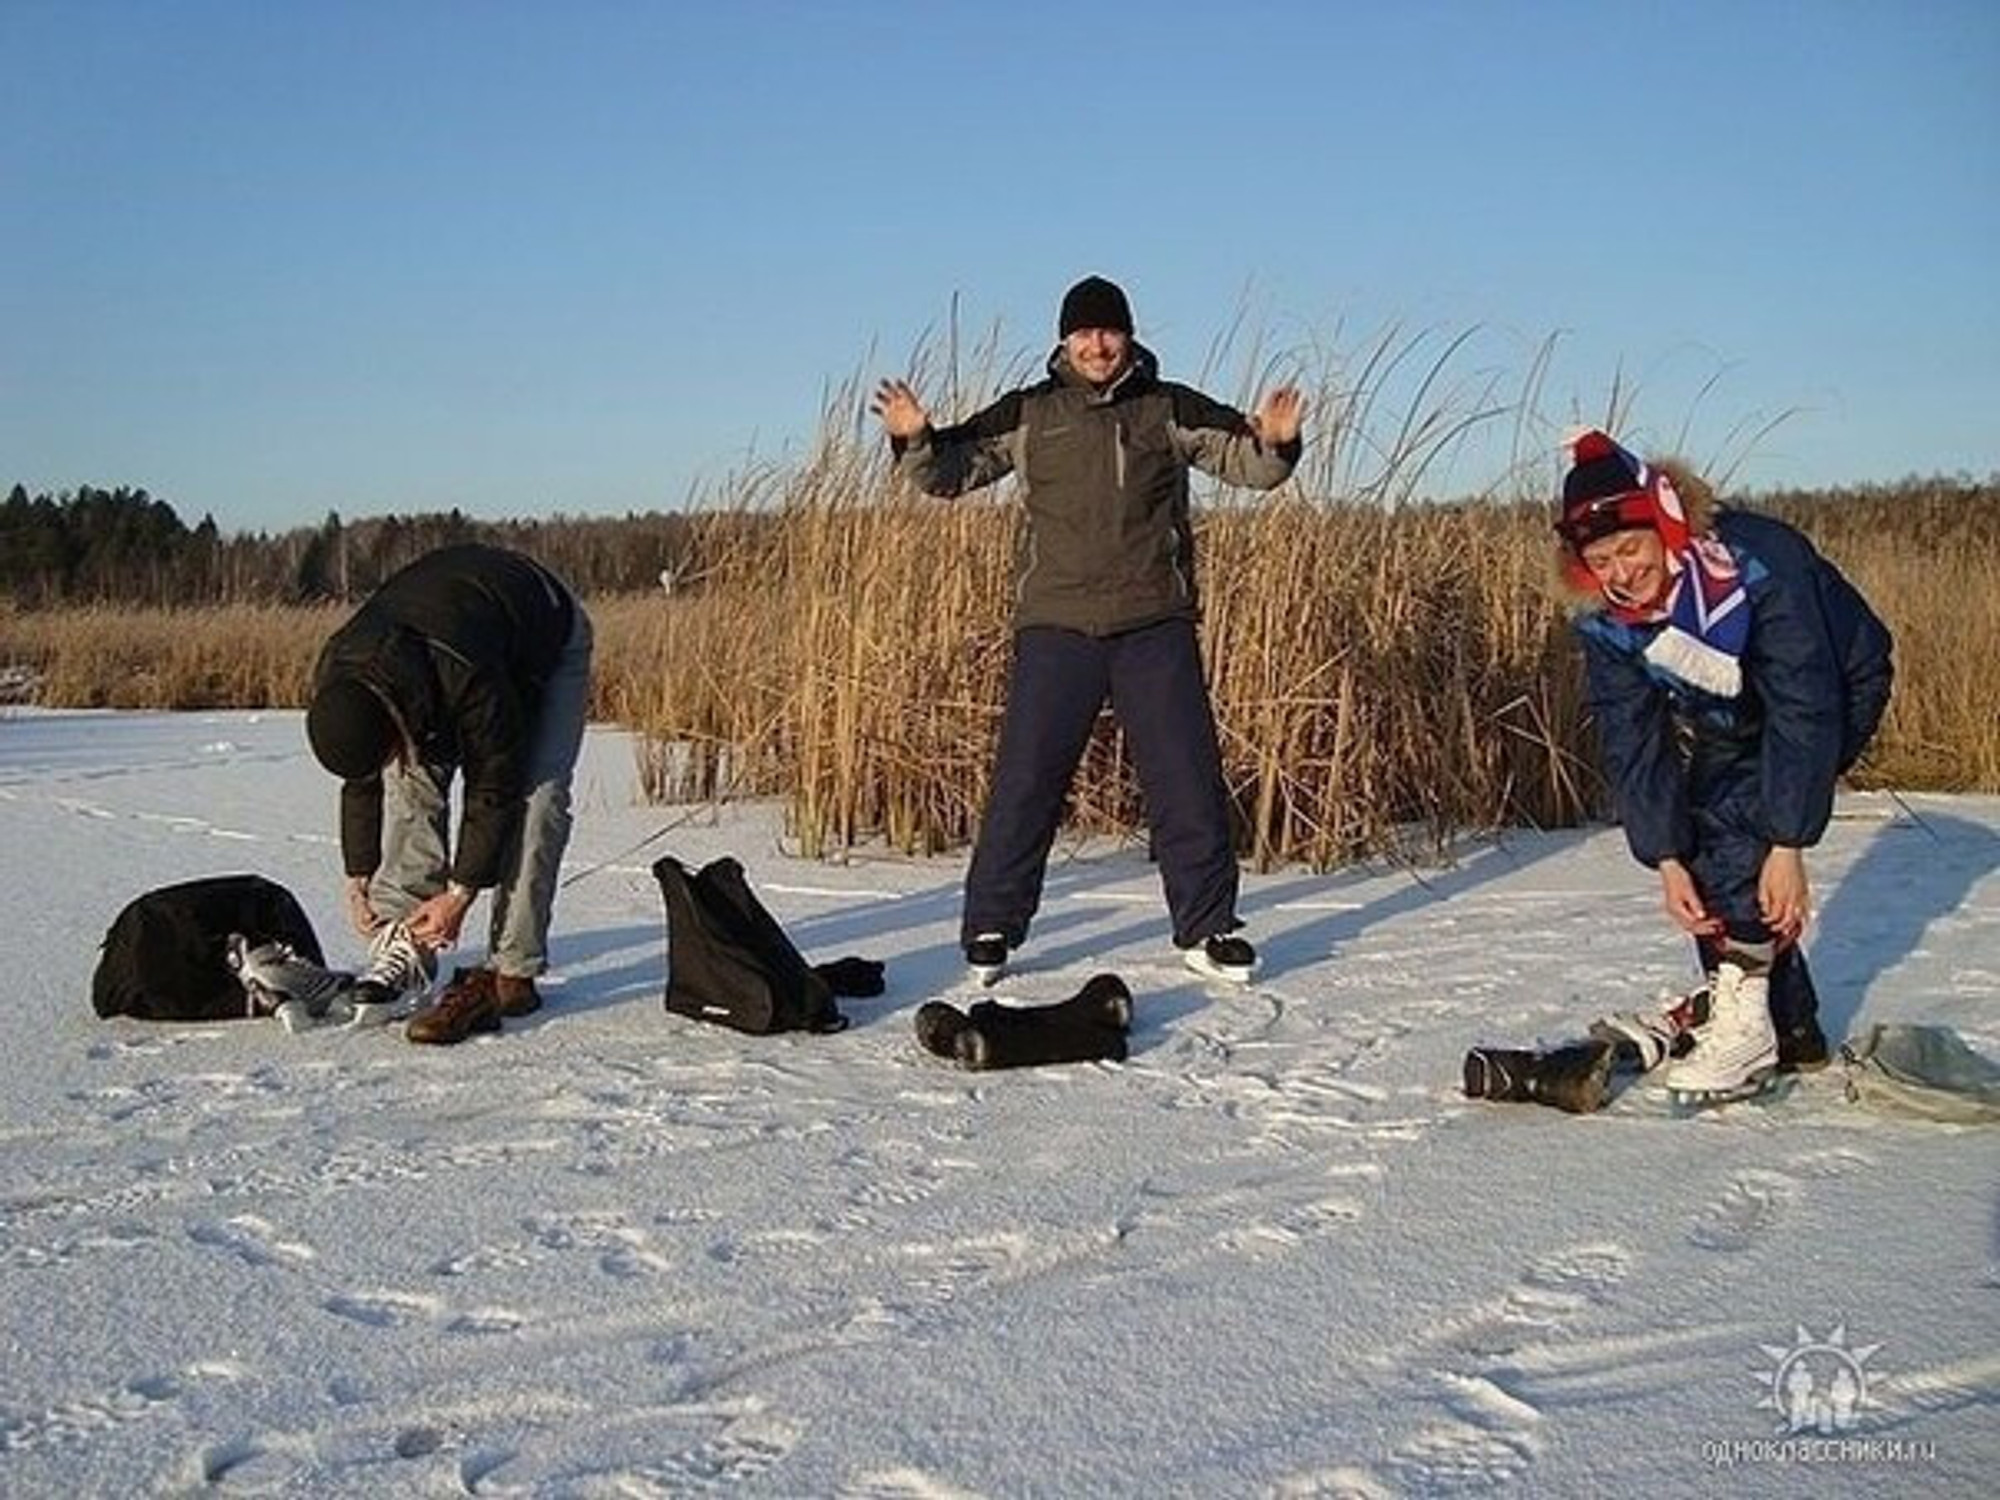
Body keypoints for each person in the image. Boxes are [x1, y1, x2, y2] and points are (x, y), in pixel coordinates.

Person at [871, 275, 1305, 986]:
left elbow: (1249, 463)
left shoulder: (1168, 407)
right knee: (1026, 780)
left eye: (1109, 331)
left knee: (1187, 781)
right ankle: (991, 926)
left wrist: (1280, 444)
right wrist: (914, 436)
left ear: (1127, 336)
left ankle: (1207, 928)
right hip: (1057, 626)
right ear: (1064, 340)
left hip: (1152, 623)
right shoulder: (1031, 413)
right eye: (1084, 333)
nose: (1097, 344)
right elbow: (949, 473)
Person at [1554, 429, 1893, 1095]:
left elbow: (1805, 701)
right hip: (1730, 709)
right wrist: (1666, 856)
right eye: (1603, 558)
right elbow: (1633, 736)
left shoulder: (1758, 562)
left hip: (1833, 684)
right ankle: (1782, 1028)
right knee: (1703, 843)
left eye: (1631, 547)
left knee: (1742, 825)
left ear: (1664, 525)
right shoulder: (1606, 616)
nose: (1622, 571)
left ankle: (1753, 1032)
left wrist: (1787, 841)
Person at [305, 543, 593, 1044]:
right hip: (443, 639)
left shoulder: (469, 678)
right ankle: (407, 948)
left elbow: (493, 788)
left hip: (542, 633)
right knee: (410, 776)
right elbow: (362, 776)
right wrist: (357, 879)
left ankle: (513, 966)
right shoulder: (342, 676)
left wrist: (459, 894)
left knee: (537, 798)